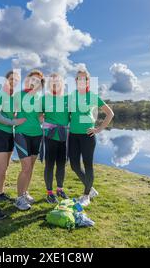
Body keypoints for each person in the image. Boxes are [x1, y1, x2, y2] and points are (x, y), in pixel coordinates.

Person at [68, 69, 114, 207]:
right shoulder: (72, 96)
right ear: (75, 81)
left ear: (88, 81)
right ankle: (90, 187)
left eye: (84, 79)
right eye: (78, 79)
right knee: (74, 165)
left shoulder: (93, 96)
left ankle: (86, 195)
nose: (81, 81)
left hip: (88, 135)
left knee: (88, 164)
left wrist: (98, 129)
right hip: (73, 135)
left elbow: (110, 114)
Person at [0, 71, 26, 220]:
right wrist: (14, 122)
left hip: (9, 135)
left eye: (16, 80)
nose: (13, 81)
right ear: (5, 80)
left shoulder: (11, 98)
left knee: (6, 168)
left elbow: (12, 115)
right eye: (11, 79)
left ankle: (0, 194)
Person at [13, 70, 45, 211]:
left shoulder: (40, 97)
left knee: (31, 167)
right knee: (25, 167)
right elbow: (9, 111)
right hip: (22, 134)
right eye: (33, 79)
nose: (35, 82)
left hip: (37, 134)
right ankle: (19, 198)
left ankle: (25, 192)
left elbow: (39, 117)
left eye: (38, 80)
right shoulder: (19, 95)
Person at [41, 73, 70, 203]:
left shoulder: (67, 99)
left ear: (61, 84)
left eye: (57, 82)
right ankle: (49, 192)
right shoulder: (44, 99)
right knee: (49, 164)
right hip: (50, 136)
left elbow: (72, 116)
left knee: (61, 164)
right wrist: (47, 125)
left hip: (63, 136)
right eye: (52, 82)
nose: (55, 84)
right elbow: (38, 114)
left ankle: (60, 189)